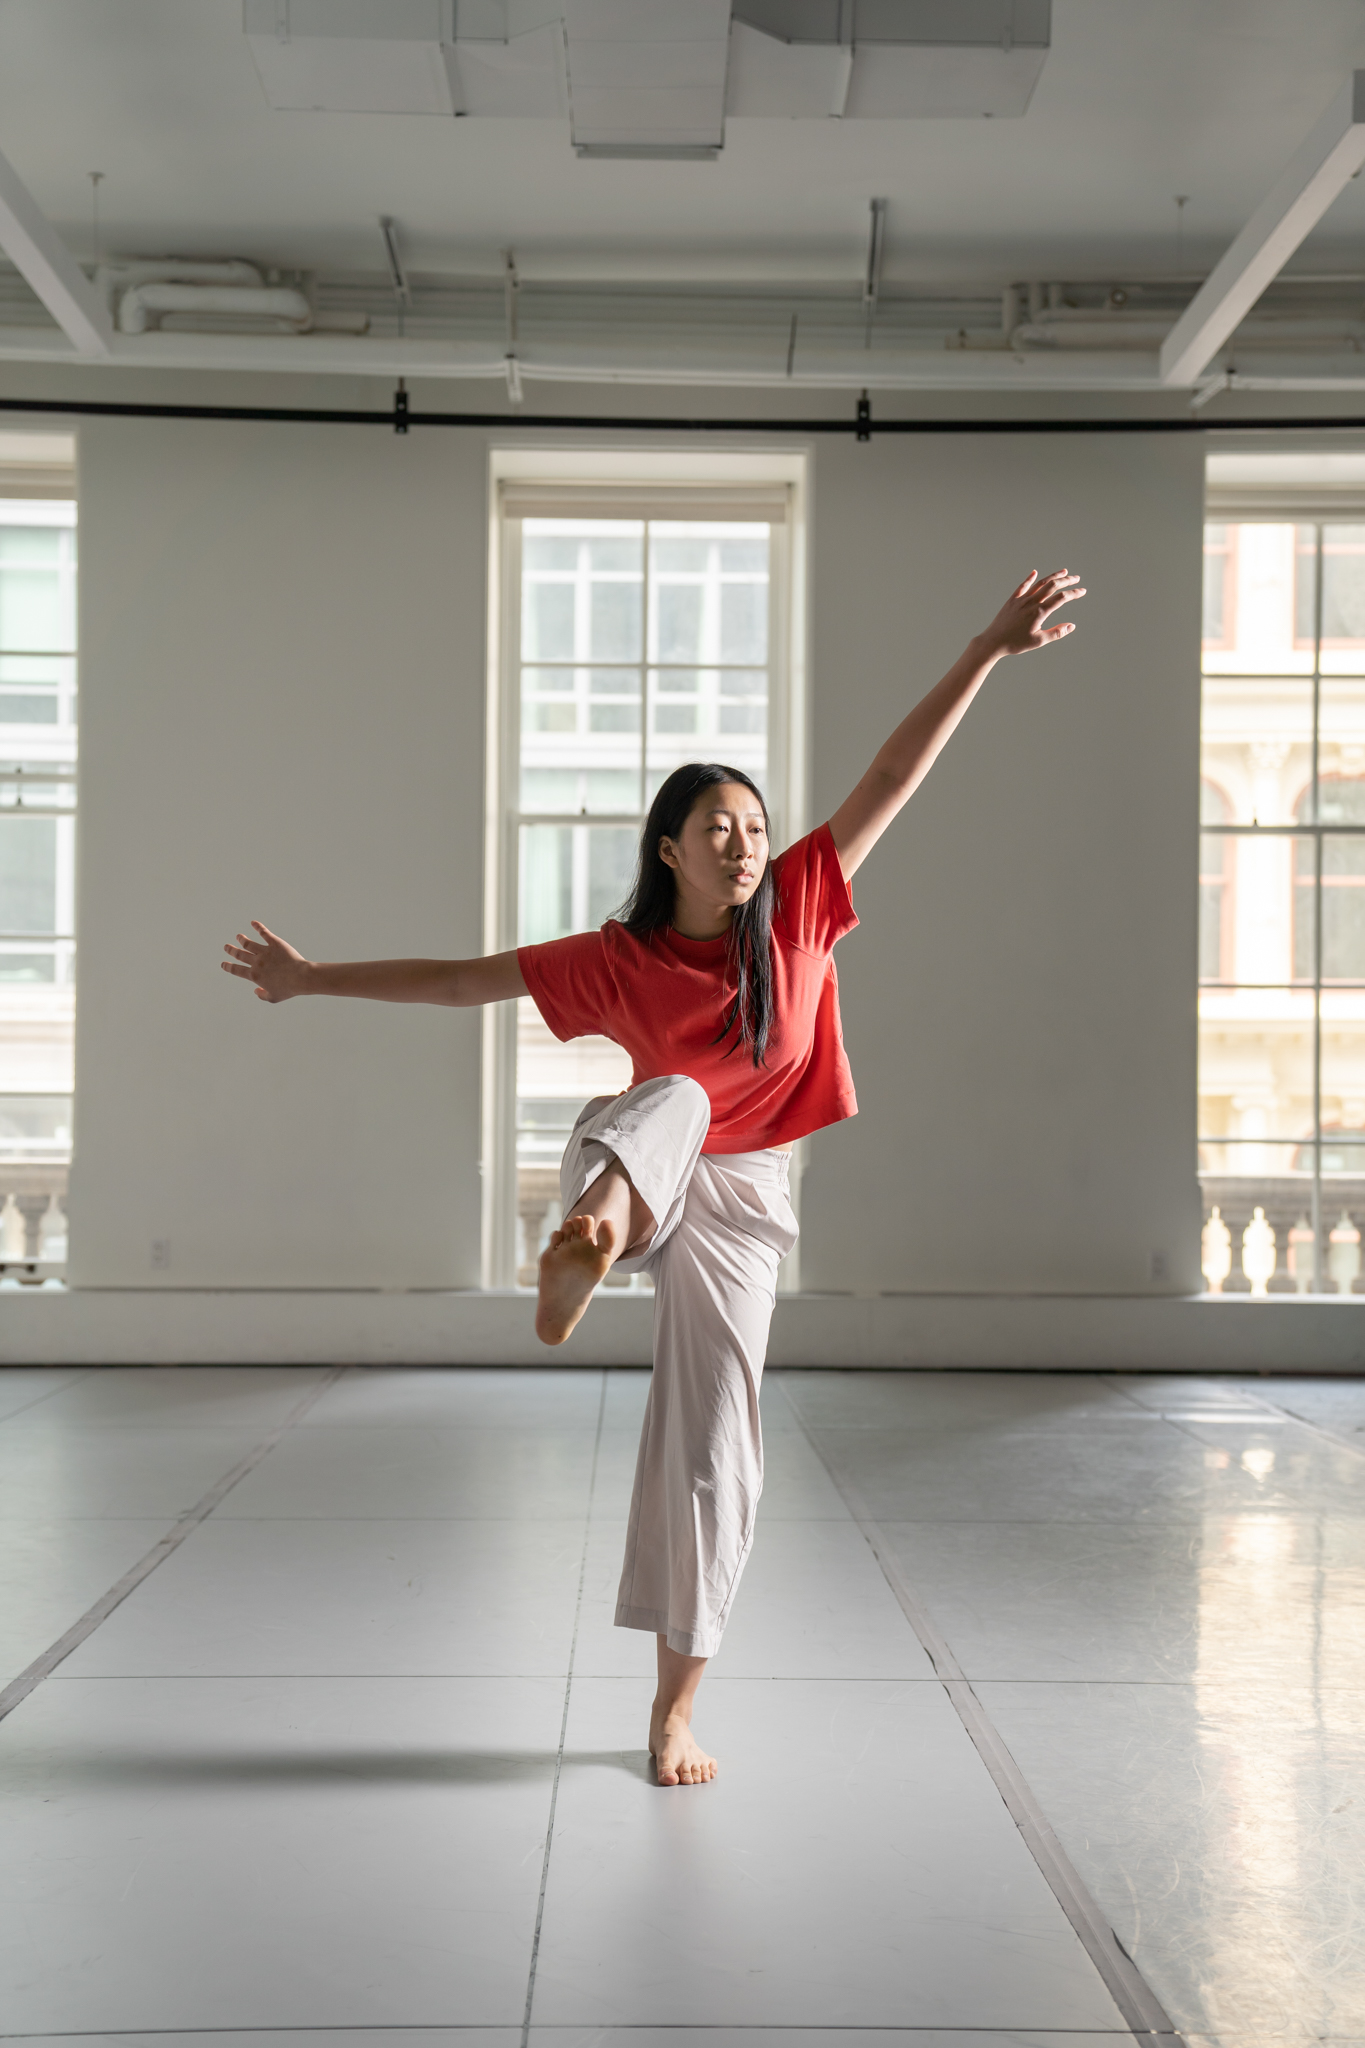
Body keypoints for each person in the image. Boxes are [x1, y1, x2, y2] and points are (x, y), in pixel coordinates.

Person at [221, 567, 1085, 1786]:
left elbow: (894, 775)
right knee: (673, 1096)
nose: (744, 841)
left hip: (746, 1195)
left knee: (717, 1439)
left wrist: (986, 648)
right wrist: (311, 980)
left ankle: (673, 1710)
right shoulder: (618, 955)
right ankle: (585, 1239)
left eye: (755, 824)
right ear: (668, 846)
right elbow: (465, 979)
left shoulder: (797, 912)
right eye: (717, 826)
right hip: (633, 1155)